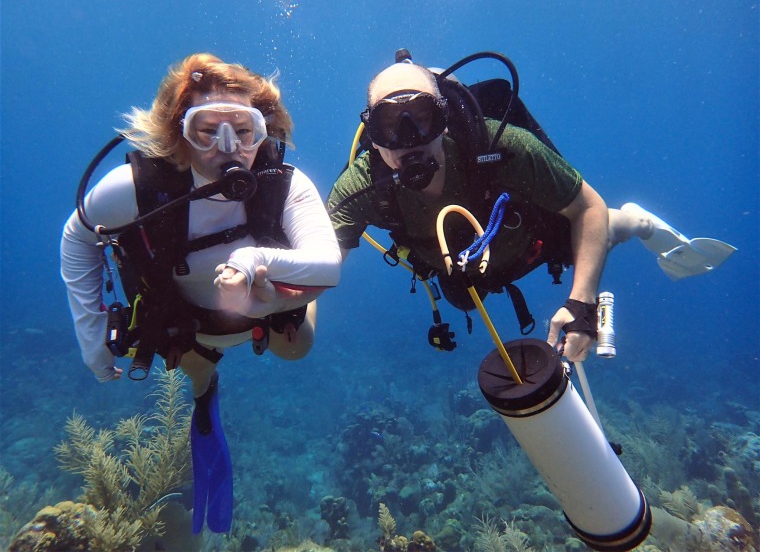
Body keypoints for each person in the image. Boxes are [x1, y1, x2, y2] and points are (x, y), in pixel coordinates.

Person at [61, 53, 341, 533]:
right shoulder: (133, 188)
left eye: (244, 130)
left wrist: (257, 267)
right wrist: (91, 337)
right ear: (177, 133)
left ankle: (292, 303)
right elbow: (78, 239)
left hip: (267, 303)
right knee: (191, 363)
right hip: (188, 318)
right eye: (206, 129)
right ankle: (205, 391)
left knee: (295, 349)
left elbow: (329, 263)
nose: (228, 148)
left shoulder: (286, 186)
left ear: (264, 131)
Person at [327, 59, 735, 361]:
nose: (408, 140)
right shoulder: (361, 187)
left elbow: (586, 206)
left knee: (604, 227)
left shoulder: (500, 147)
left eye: (422, 118)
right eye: (389, 125)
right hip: (463, 268)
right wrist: (284, 302)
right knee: (462, 300)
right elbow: (320, 258)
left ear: (446, 120)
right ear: (372, 138)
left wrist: (581, 304)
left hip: (534, 240)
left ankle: (635, 220)